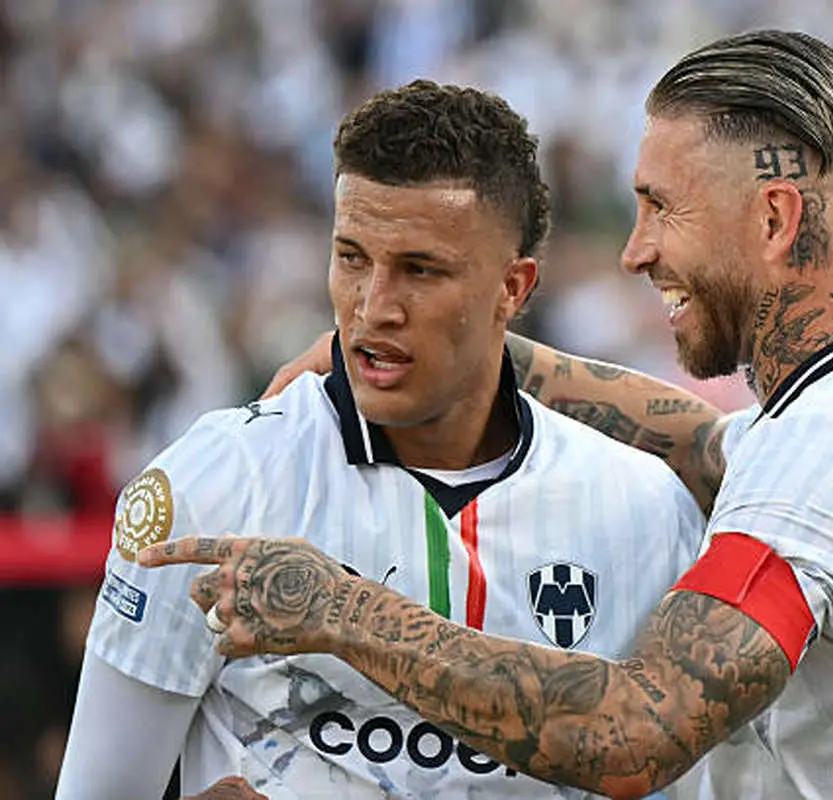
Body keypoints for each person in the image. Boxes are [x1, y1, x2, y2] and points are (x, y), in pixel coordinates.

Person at [143, 29, 833, 800]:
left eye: (660, 208)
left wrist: (338, 607)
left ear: (774, 220)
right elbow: (705, 445)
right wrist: (475, 352)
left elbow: (632, 732)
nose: (634, 251)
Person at [56, 80, 712, 799]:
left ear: (514, 288)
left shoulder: (642, 508)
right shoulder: (216, 482)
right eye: (352, 258)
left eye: (420, 270)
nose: (373, 307)